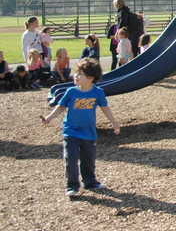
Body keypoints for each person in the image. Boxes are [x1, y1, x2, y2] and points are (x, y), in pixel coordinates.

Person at [41, 57, 120, 197]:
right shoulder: (71, 92)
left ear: (90, 77)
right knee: (70, 158)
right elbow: (61, 106)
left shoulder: (97, 92)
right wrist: (49, 118)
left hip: (88, 132)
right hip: (71, 131)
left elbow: (104, 107)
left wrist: (113, 122)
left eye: (79, 74)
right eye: (76, 73)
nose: (75, 76)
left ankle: (89, 182)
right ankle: (71, 186)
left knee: (88, 159)